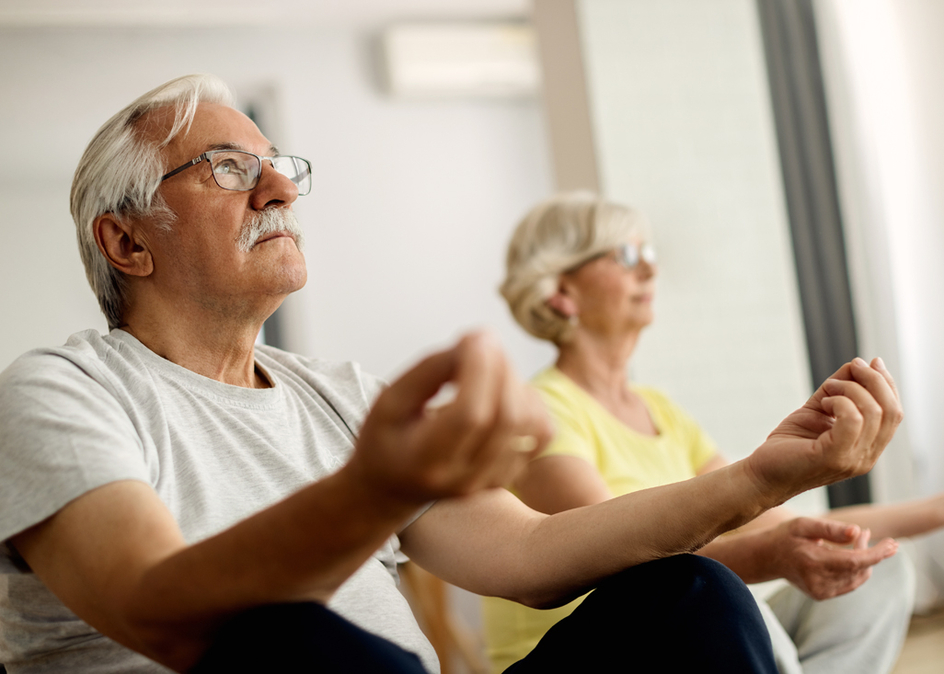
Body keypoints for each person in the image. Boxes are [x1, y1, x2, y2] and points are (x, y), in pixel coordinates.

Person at [0, 76, 903, 674]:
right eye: (229, 170)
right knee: (288, 640)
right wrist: (375, 489)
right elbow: (156, 608)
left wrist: (759, 477)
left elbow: (530, 554)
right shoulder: (60, 393)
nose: (278, 190)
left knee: (689, 597)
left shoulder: (338, 392)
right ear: (125, 241)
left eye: (279, 168)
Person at [486, 191, 938, 673]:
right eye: (625, 255)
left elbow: (767, 524)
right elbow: (628, 566)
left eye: (649, 254)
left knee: (878, 570)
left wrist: (933, 511)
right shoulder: (539, 411)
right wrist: (773, 555)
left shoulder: (661, 410)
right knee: (725, 599)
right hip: (604, 651)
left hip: (693, 623)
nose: (650, 271)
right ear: (561, 290)